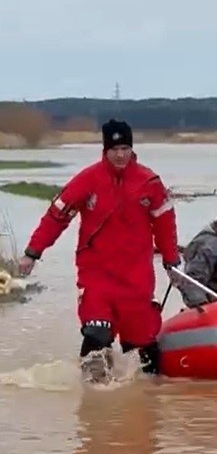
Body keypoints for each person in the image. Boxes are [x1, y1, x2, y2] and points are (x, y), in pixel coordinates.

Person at [18, 119, 180, 376]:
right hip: (97, 276)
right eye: (114, 149)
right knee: (97, 335)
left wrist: (171, 260)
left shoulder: (149, 182)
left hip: (136, 279)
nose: (120, 155)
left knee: (143, 350)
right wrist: (32, 253)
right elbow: (56, 217)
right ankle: (90, 395)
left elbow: (165, 224)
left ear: (132, 149)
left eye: (125, 148)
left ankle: (147, 398)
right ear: (105, 150)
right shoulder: (88, 179)